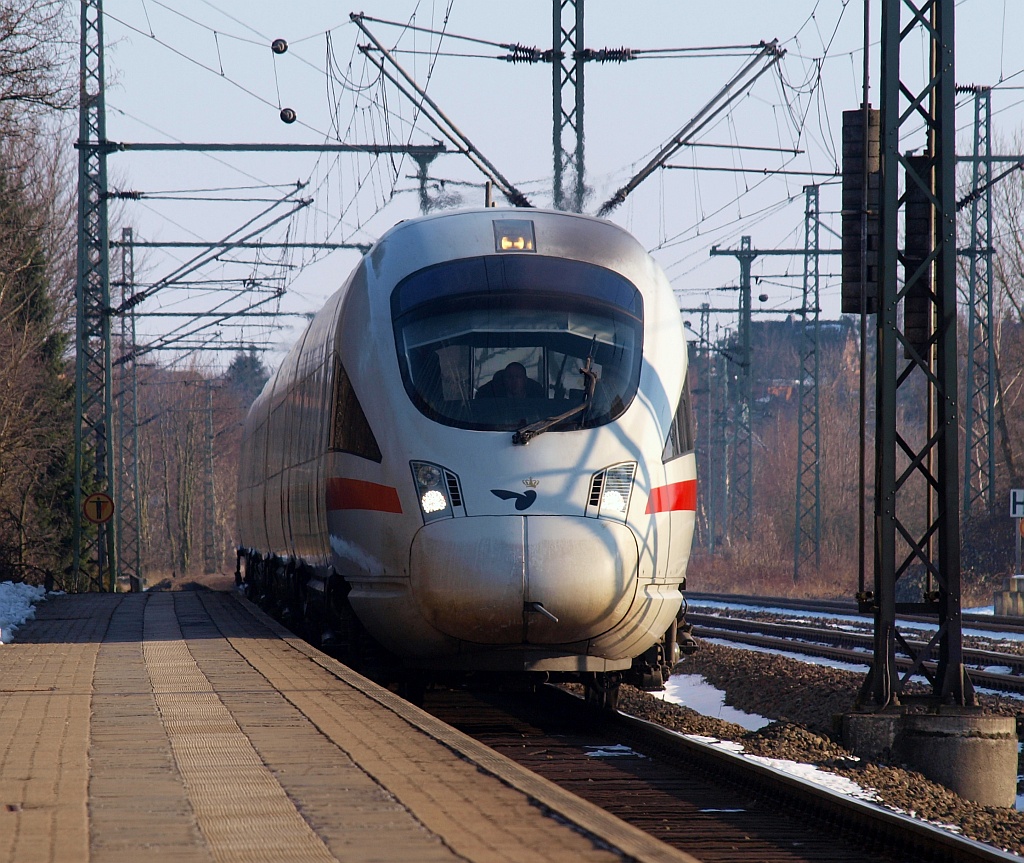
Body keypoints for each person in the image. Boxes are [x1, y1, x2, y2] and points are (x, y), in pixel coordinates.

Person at [477, 361, 544, 398]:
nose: (514, 381)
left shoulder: (537, 398)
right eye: (509, 377)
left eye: (518, 377)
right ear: (504, 380)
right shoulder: (493, 399)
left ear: (525, 380)